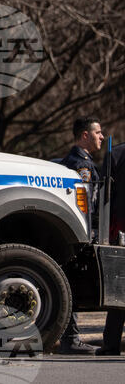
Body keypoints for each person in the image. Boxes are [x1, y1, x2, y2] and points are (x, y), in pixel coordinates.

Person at [57, 116, 104, 354]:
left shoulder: (77, 161)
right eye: (98, 133)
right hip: (79, 234)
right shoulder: (81, 165)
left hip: (74, 234)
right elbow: (83, 204)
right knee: (71, 285)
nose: (102, 137)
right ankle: (71, 339)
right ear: (85, 135)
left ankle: (70, 338)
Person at [98, 142, 125, 355]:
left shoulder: (115, 153)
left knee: (119, 287)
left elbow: (105, 191)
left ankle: (111, 343)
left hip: (120, 227)